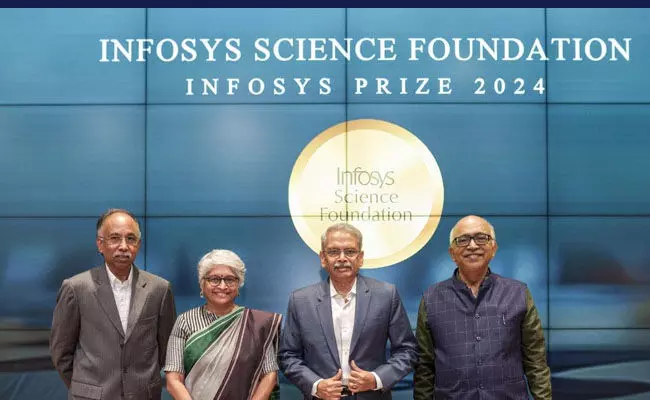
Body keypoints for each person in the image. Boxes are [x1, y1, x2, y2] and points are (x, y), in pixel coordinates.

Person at [413, 215, 551, 399]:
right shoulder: (431, 299)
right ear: (452, 253)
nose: (472, 246)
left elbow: (536, 362)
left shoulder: (518, 293)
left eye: (481, 238)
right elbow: (424, 368)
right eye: (462, 240)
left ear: (494, 248)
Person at [279, 223, 417, 399]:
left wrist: (376, 379)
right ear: (323, 258)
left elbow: (407, 350)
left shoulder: (386, 295)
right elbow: (288, 355)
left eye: (350, 252)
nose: (342, 258)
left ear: (360, 258)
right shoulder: (301, 301)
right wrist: (316, 385)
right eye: (333, 252)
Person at [50, 208, 177, 400]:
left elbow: (166, 349)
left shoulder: (159, 289)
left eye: (131, 239)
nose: (124, 246)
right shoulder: (76, 288)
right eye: (115, 238)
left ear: (139, 244)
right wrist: (86, 388)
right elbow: (61, 352)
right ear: (100, 244)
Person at [164, 249, 282, 400]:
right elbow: (173, 379)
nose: (222, 286)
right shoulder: (185, 321)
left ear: (238, 285)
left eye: (230, 280)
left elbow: (269, 375)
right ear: (202, 284)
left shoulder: (256, 324)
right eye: (214, 279)